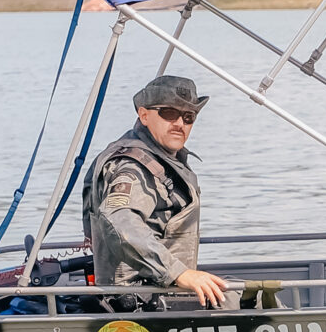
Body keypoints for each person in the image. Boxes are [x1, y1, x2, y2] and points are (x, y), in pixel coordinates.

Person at [83, 75, 228, 307]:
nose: (180, 123)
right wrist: (180, 274)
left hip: (164, 293)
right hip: (143, 303)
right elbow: (118, 220)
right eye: (169, 113)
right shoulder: (133, 166)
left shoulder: (161, 157)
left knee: (251, 295)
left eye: (189, 117)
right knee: (258, 304)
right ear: (144, 115)